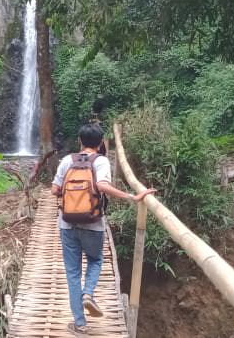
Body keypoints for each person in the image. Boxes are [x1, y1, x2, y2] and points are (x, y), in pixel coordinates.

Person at [51, 123, 156, 335]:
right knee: (96, 260)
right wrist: (132, 197)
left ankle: (79, 324)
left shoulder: (66, 161)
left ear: (80, 141)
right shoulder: (101, 161)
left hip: (67, 223)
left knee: (72, 273)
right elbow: (102, 186)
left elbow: (54, 190)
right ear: (100, 144)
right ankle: (88, 293)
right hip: (93, 224)